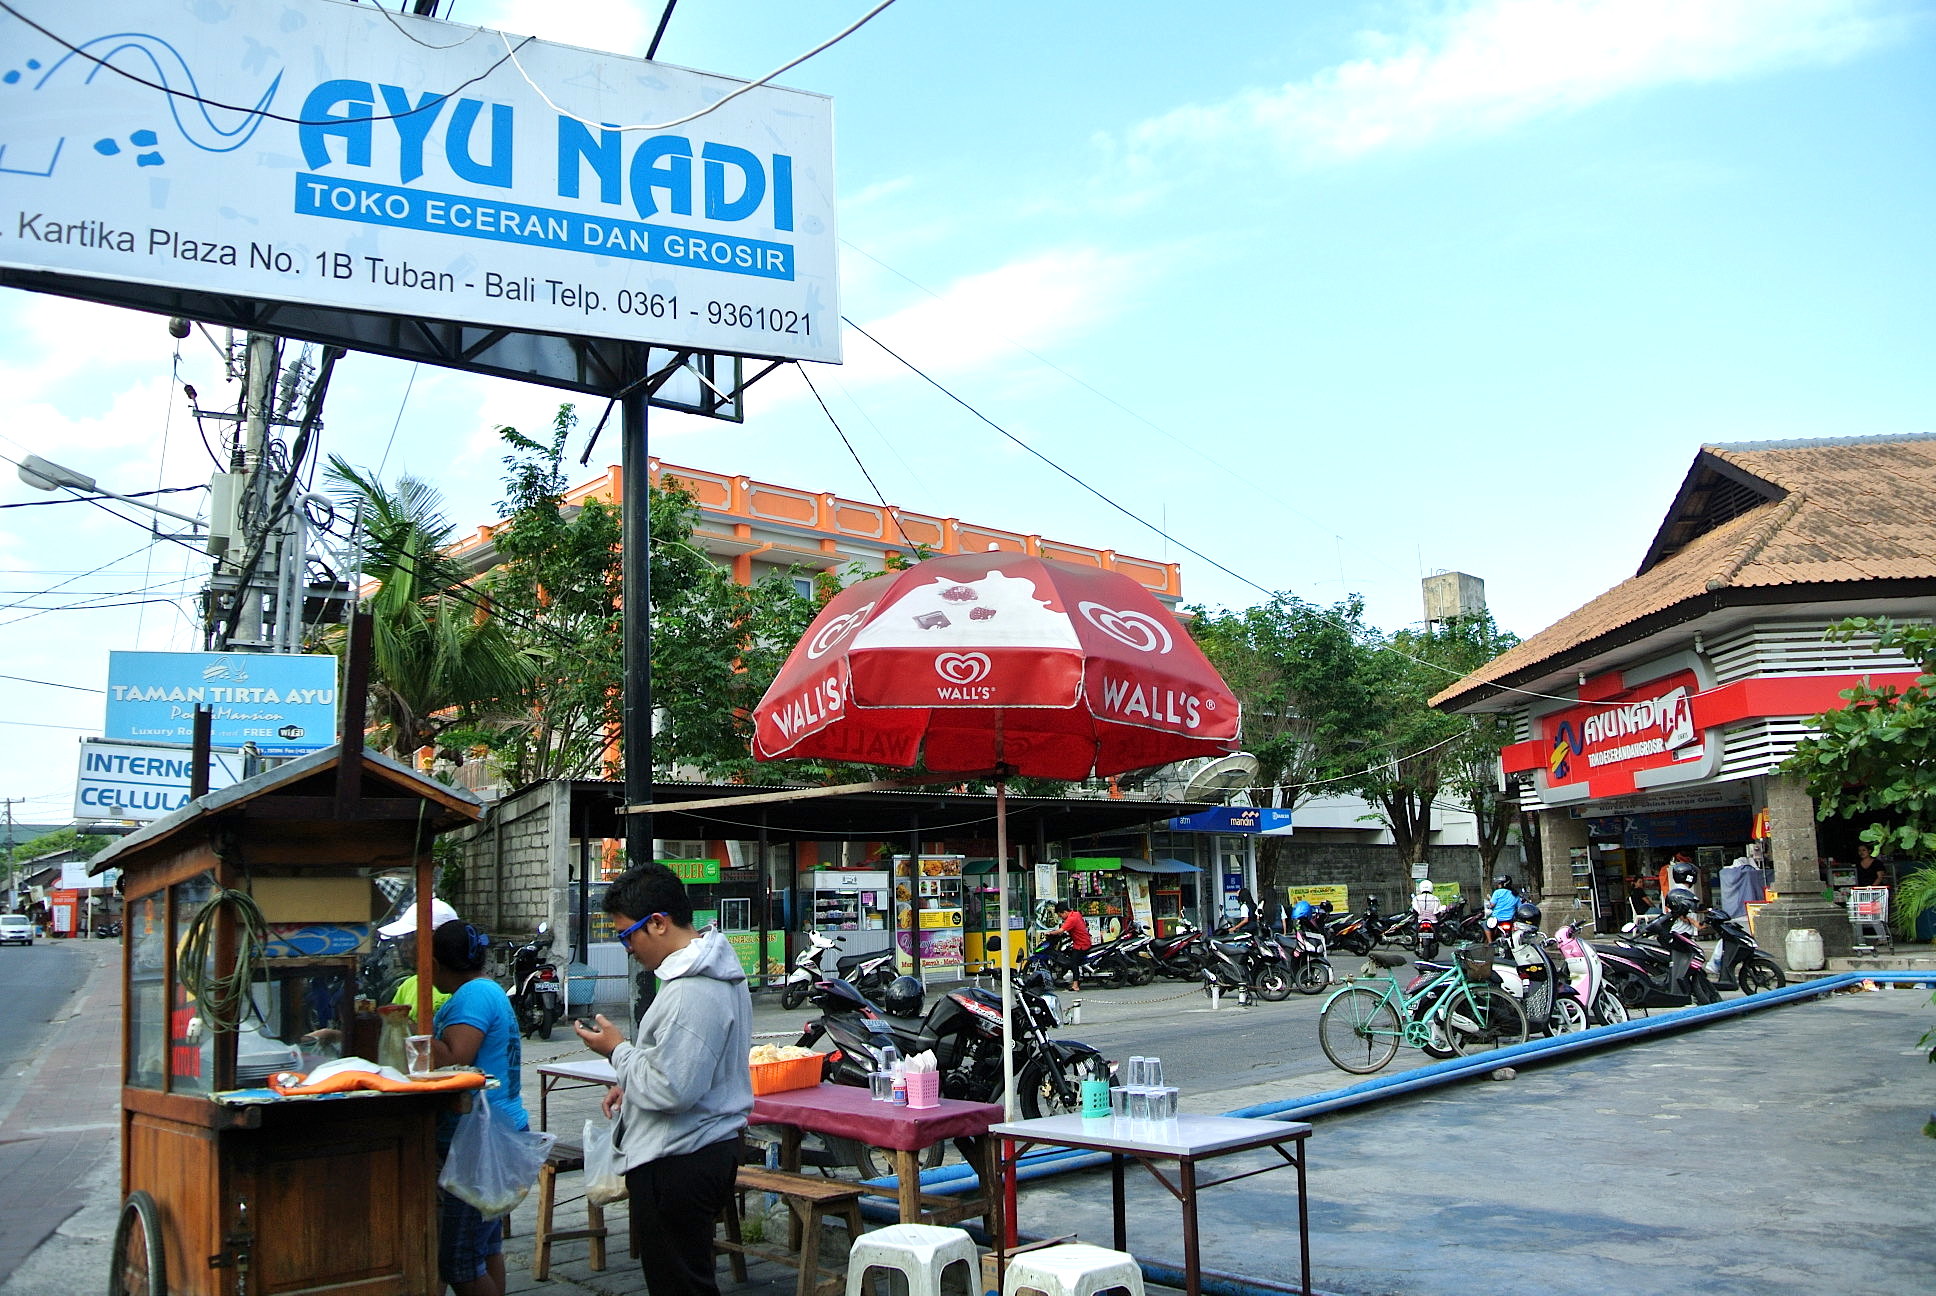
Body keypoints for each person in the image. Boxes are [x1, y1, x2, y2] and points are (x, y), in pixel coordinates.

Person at [573, 863, 753, 1296]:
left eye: (627, 935)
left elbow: (672, 1089)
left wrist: (617, 1051)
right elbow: (685, 1066)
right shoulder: (707, 973)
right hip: (699, 1148)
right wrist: (632, 1078)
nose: (627, 949)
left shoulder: (693, 989)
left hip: (682, 1157)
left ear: (657, 923)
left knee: (680, 1285)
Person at [427, 920, 529, 1296]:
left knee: (458, 1262)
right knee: (484, 1249)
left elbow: (457, 1058)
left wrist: (406, 1029)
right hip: (494, 1133)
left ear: (434, 963)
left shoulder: (473, 995)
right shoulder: (486, 989)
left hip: (480, 1141)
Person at [379, 896, 462, 1019]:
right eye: (403, 939)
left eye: (411, 939)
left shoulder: (458, 990)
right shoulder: (408, 986)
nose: (403, 947)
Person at [1053, 900, 1092, 990]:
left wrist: (1050, 933)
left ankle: (1075, 985)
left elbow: (1061, 930)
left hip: (1081, 944)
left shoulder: (1071, 919)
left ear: (1064, 912)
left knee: (1073, 962)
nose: (1061, 918)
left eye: (1060, 915)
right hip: (1083, 941)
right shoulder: (1076, 914)